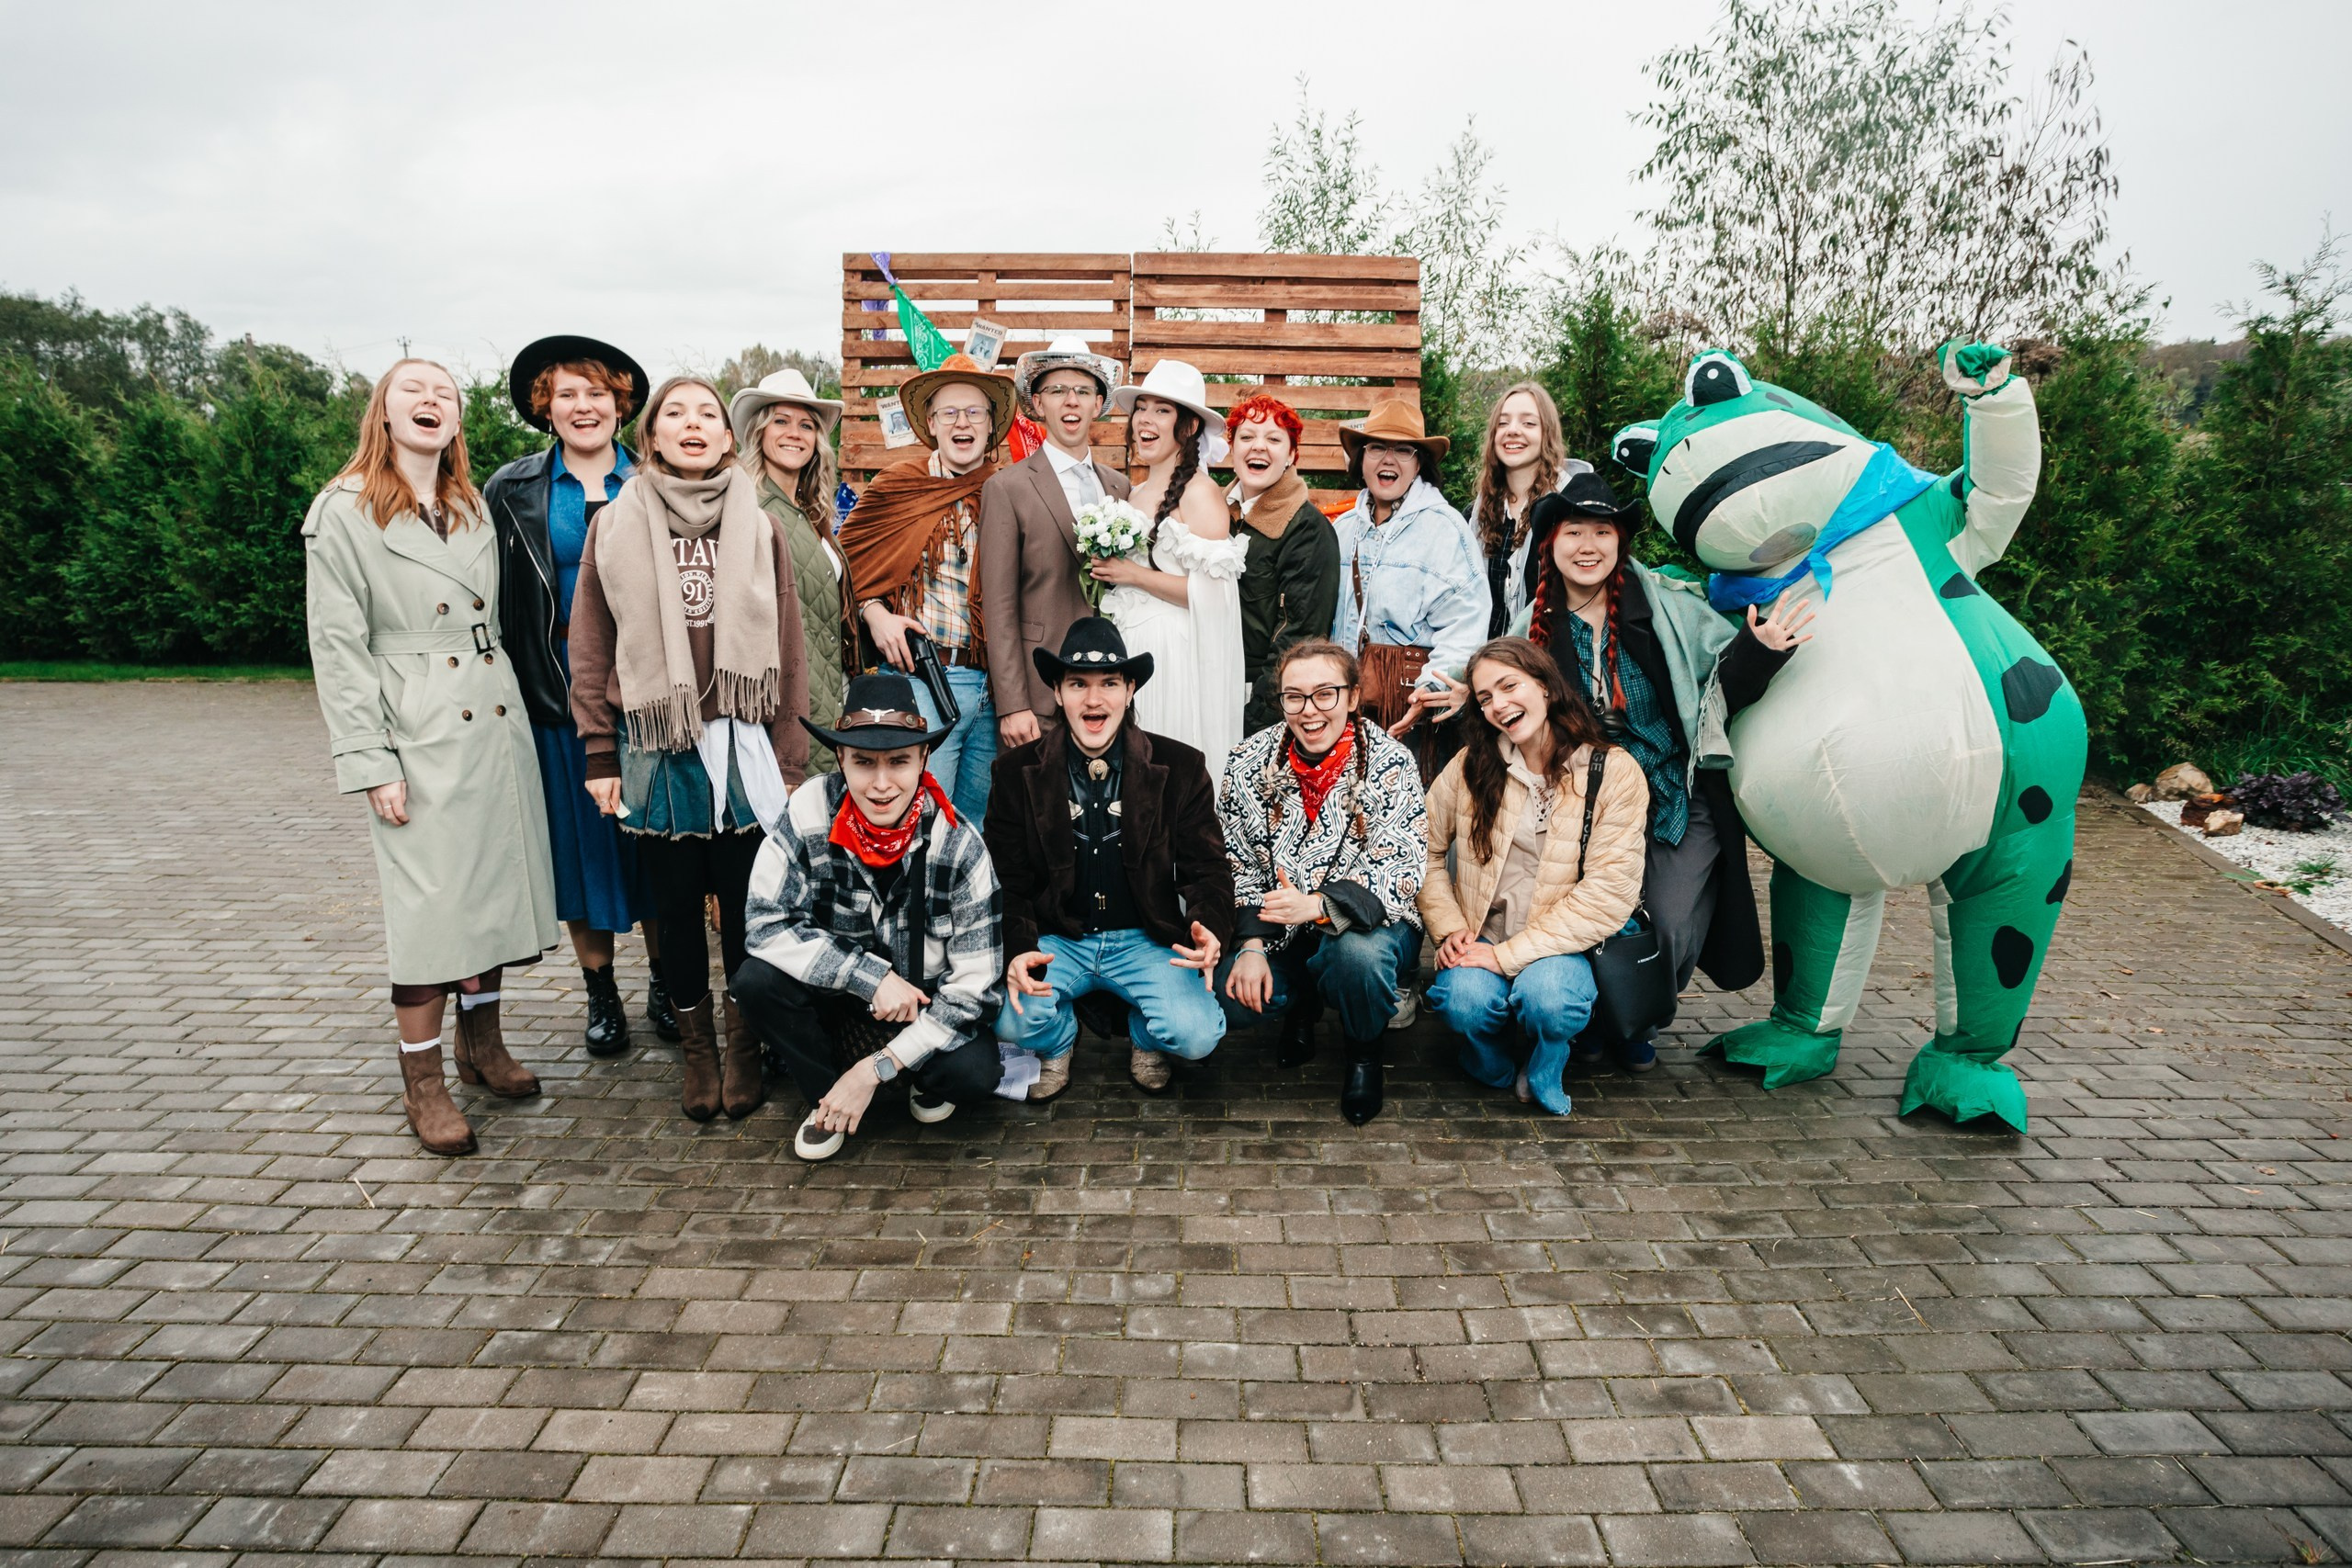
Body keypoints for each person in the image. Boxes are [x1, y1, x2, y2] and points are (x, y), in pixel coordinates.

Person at [1448, 473, 1811, 1071]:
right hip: (1578, 804)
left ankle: (1638, 1013)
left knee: (1667, 920)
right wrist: (1467, 698)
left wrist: (1759, 649)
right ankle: (1595, 1017)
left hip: (1673, 794)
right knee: (1586, 915)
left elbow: (1720, 687)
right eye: (1573, 532)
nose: (1588, 544)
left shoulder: (1669, 606)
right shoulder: (1530, 628)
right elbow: (1498, 703)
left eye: (1602, 531)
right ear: (1551, 543)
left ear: (1619, 541)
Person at [303, 359, 560, 1156]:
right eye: (412, 390)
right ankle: (423, 1083)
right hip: (416, 726)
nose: (430, 401)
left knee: (488, 894)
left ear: (456, 421)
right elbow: (338, 646)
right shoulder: (343, 511)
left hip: (492, 713)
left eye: (444, 394)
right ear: (383, 412)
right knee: (429, 913)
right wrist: (370, 758)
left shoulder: (470, 502)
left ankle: (481, 1045)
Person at [569, 376, 811, 1122]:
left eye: (708, 412)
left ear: (729, 437)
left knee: (744, 906)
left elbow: (789, 647)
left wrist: (792, 758)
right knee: (673, 909)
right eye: (675, 413)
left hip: (743, 743)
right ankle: (698, 1052)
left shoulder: (759, 524)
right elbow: (590, 640)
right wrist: (599, 753)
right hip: (657, 742)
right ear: (652, 437)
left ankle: (742, 1047)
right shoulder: (614, 521)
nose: (693, 423)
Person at [483, 335, 678, 1059]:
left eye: (597, 392)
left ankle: (665, 980)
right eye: (567, 392)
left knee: (656, 843)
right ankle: (600, 991)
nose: (583, 405)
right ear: (546, 406)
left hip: (652, 696)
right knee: (579, 847)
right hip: (557, 693)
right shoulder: (513, 489)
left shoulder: (656, 480)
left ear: (622, 402)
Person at [734, 673, 1008, 1161]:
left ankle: (879, 1078)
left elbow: (974, 994)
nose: (881, 785)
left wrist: (874, 1069)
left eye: (898, 762)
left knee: (976, 1072)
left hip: (923, 1009)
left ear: (924, 760)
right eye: (864, 763)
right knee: (755, 982)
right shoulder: (807, 810)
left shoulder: (961, 846)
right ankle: (829, 1098)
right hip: (836, 1003)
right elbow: (763, 921)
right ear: (840, 759)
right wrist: (870, 978)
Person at [987, 617, 1232, 1102]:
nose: (1093, 701)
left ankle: (1146, 1036)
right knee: (1007, 1017)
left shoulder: (1181, 766)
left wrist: (1209, 924)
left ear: (1129, 690)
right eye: (1078, 684)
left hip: (1145, 940)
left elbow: (1208, 869)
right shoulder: (1014, 772)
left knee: (1197, 1034)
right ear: (1057, 692)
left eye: (1109, 685)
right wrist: (1016, 949)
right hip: (1058, 940)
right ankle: (1058, 1040)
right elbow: (1005, 883)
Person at [1420, 638, 1648, 1115]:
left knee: (1550, 1000)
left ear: (1545, 687)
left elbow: (1609, 893)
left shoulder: (1613, 771)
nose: (1499, 705)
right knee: (1462, 1004)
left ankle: (1547, 1060)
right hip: (1482, 935)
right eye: (1484, 698)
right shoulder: (1471, 765)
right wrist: (1450, 930)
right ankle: (1491, 1062)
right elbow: (1423, 849)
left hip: (1562, 946)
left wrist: (1505, 957)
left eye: (1509, 686)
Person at [1216, 639, 1430, 1124]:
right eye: (1295, 697)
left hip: (1373, 924)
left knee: (1356, 956)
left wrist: (1318, 906)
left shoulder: (1392, 761)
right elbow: (1236, 859)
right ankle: (1301, 1007)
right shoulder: (1248, 761)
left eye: (1325, 694)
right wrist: (1250, 946)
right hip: (1276, 923)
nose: (1309, 711)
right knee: (1222, 996)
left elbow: (1402, 864)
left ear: (1353, 697)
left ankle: (1363, 1052)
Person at [839, 353, 1014, 820]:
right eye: (949, 412)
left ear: (991, 425)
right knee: (917, 819)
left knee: (976, 827)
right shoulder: (897, 486)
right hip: (922, 678)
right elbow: (844, 562)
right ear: (931, 424)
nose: (963, 422)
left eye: (974, 411)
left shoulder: (1005, 491)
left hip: (992, 686)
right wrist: (874, 612)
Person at [982, 335, 1132, 749]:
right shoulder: (1007, 488)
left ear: (1097, 404)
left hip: (1108, 693)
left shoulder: (1120, 488)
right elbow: (998, 604)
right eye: (1057, 390)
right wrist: (1012, 704)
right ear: (1039, 403)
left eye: (1083, 391)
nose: (1071, 401)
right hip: (1038, 693)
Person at [1097, 359, 1248, 769]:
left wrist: (1133, 575)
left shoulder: (1201, 494)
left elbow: (1216, 593)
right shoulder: (1135, 492)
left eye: (1162, 410)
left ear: (1190, 426)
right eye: (1141, 407)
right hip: (1128, 649)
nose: (1145, 419)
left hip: (1172, 656)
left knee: (1162, 768)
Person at [1331, 396, 1489, 780]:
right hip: (1344, 709)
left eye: (1403, 450)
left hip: (1412, 715)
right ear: (1361, 460)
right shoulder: (1342, 531)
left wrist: (1428, 691)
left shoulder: (1445, 530)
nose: (1389, 460)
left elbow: (1466, 622)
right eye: (1377, 448)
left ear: (1420, 463)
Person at [731, 367, 851, 773]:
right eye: (780, 421)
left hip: (827, 692)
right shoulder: (750, 506)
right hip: (788, 702)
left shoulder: (809, 510)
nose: (794, 433)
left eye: (806, 425)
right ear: (760, 433)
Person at [1225, 390, 1340, 736]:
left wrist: (1256, 718)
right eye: (1246, 436)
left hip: (1255, 697)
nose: (1258, 446)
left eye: (1274, 439)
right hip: (1207, 683)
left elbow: (1299, 637)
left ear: (1291, 455)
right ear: (1231, 449)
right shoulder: (1214, 513)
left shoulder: (1306, 528)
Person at [1465, 382, 1592, 637]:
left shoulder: (1572, 510)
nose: (1512, 431)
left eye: (1528, 423)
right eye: (1503, 423)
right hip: (1487, 662)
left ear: (1548, 434)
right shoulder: (1476, 515)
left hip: (1550, 661)